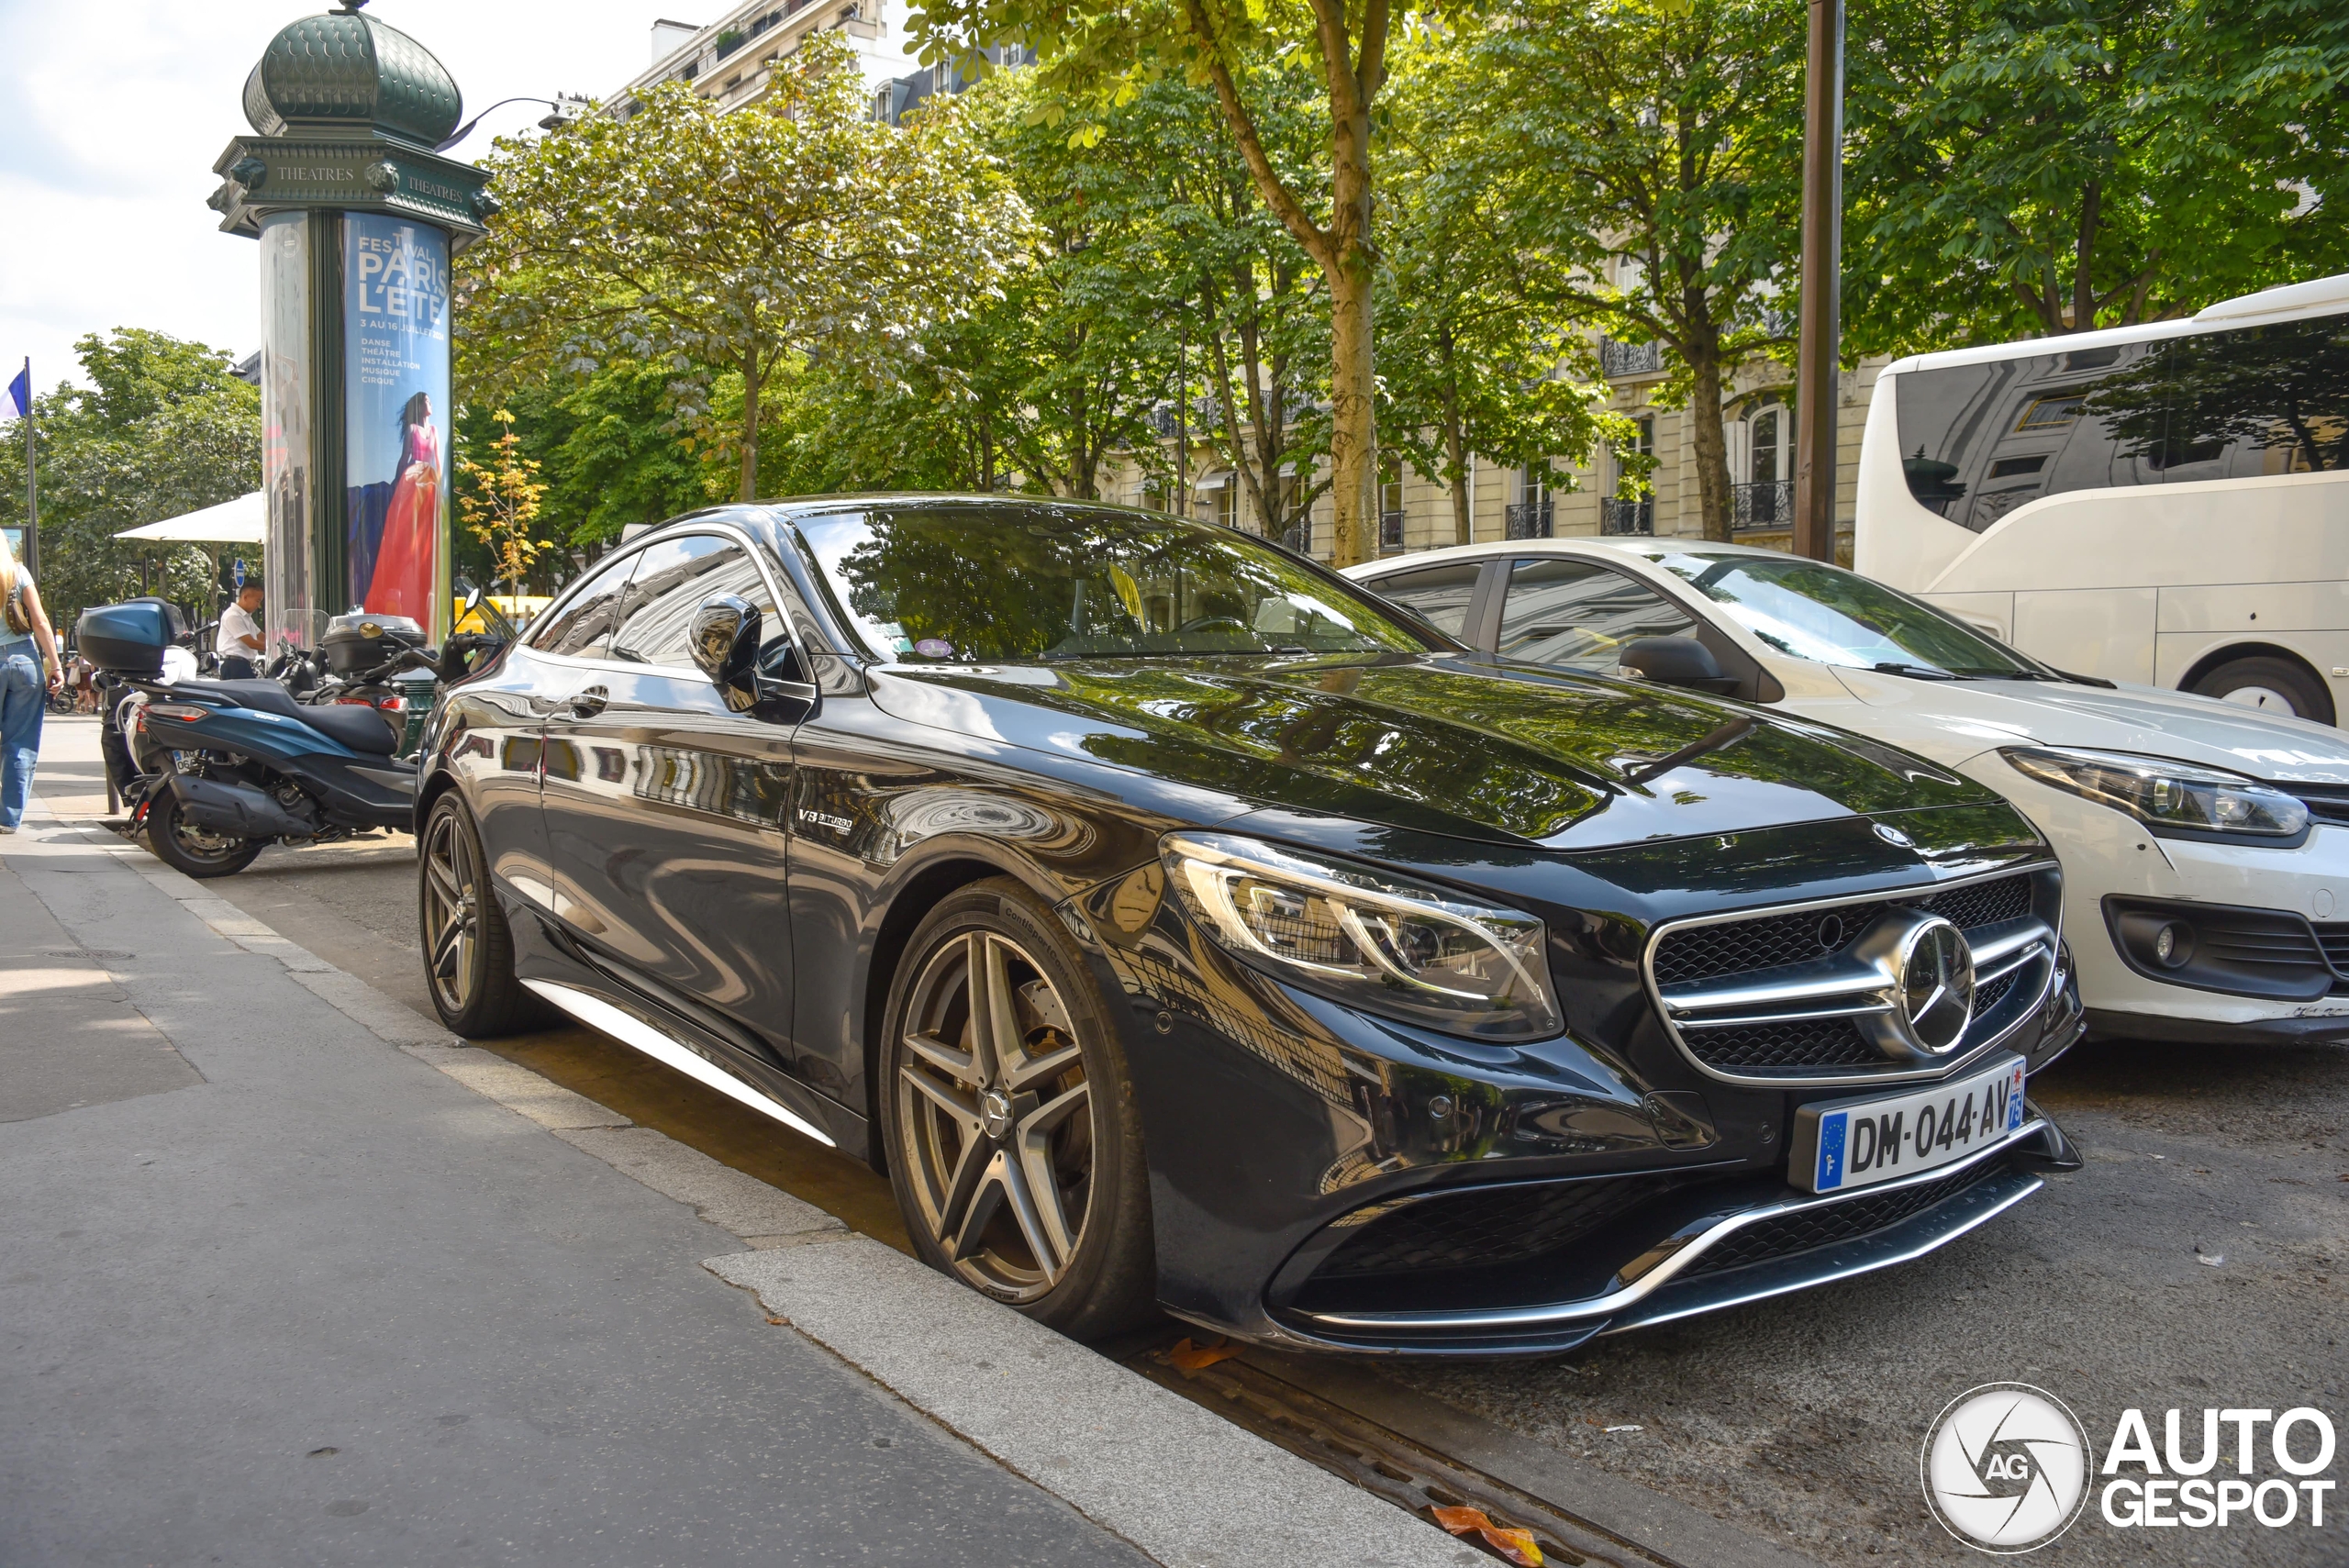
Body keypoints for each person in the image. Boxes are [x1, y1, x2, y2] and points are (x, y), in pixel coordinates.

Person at [0, 529, 63, 834]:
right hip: (25, 661)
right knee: (20, 742)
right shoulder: (19, 573)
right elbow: (39, 621)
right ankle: (8, 819)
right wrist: (56, 664)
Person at [365, 391, 439, 622]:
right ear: (419, 406)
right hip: (413, 477)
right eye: (426, 401)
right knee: (407, 529)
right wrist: (398, 481)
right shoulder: (412, 430)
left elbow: (437, 459)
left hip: (430, 479)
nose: (430, 404)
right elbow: (404, 456)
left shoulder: (434, 431)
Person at [216, 583, 264, 680]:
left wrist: (279, 642)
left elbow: (261, 636)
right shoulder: (233, 616)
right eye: (257, 601)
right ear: (245, 597)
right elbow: (251, 643)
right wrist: (275, 648)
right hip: (235, 665)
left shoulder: (246, 617)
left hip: (244, 665)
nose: (258, 606)